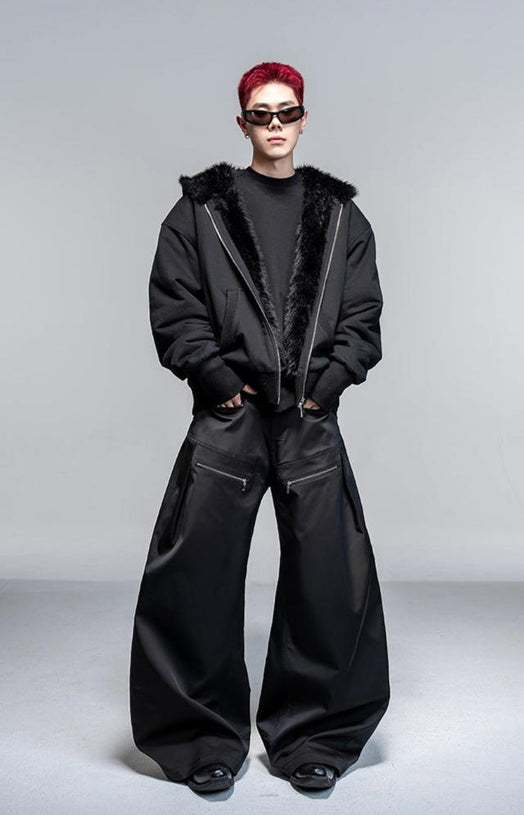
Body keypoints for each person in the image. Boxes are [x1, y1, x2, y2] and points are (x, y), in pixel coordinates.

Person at [129, 60, 390, 795]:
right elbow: (174, 305)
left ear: (304, 119)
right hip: (229, 418)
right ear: (241, 122)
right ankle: (200, 739)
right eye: (261, 114)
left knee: (329, 581)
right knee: (195, 578)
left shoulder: (341, 215)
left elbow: (363, 315)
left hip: (309, 419)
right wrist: (215, 381)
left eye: (287, 113)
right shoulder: (200, 210)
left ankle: (314, 736)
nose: (275, 126)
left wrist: (326, 387)